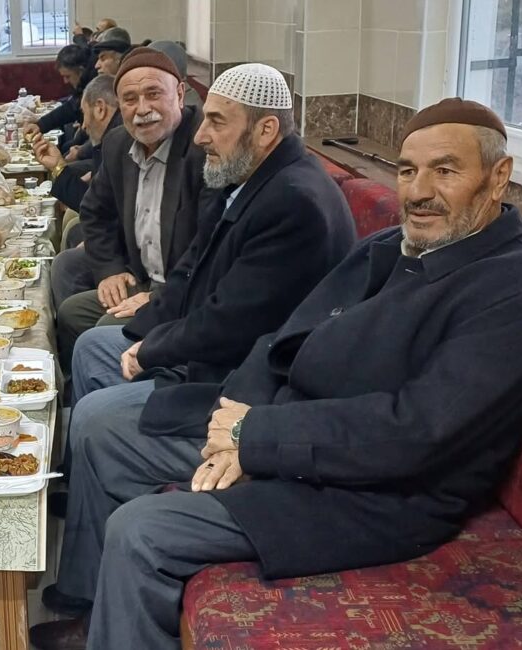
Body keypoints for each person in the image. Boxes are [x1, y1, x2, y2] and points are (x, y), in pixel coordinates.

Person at [29, 98, 522, 650]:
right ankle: (94, 612)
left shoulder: (520, 290)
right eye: (407, 170)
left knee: (142, 531)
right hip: (288, 432)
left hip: (376, 493)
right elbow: (281, 339)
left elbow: (417, 431)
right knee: (105, 434)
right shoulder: (390, 246)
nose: (419, 191)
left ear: (498, 178)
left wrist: (256, 439)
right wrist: (241, 416)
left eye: (444, 170)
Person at [55, 63, 356, 508]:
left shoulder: (294, 201)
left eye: (217, 122)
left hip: (249, 384)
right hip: (219, 352)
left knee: (95, 419)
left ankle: (86, 559)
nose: (200, 135)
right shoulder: (247, 176)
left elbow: (233, 322)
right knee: (95, 346)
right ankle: (88, 487)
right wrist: (145, 331)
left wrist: (154, 349)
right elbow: (189, 272)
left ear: (265, 130)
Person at [54, 48, 206, 371]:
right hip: (142, 274)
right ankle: (69, 394)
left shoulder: (202, 149)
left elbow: (209, 246)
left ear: (179, 94)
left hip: (185, 290)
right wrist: (109, 269)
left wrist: (159, 297)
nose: (142, 110)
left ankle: (103, 401)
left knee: (101, 332)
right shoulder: (119, 144)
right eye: (130, 99)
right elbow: (95, 212)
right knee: (69, 307)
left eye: (153, 95)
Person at [31, 74, 122, 246]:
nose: (84, 125)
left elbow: (98, 208)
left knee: (67, 255)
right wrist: (59, 167)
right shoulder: (113, 136)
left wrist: (60, 168)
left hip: (120, 235)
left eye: (84, 114)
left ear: (100, 108)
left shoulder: (117, 141)